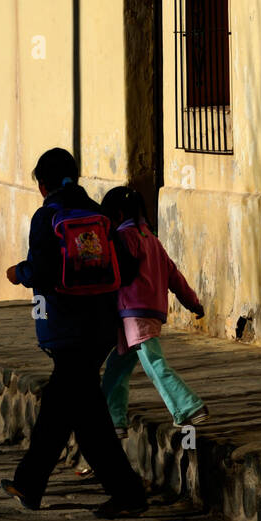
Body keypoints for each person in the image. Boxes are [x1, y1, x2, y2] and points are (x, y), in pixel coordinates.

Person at [0, 148, 149, 519]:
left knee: (64, 405)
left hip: (64, 327)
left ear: (42, 184)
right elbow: (127, 268)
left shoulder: (47, 216)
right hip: (100, 327)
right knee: (82, 411)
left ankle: (34, 483)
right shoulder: (100, 214)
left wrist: (19, 272)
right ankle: (117, 492)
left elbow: (42, 271)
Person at [99, 185, 209, 434]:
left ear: (116, 215)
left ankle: (187, 407)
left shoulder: (125, 237)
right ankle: (112, 420)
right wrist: (192, 302)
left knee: (153, 362)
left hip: (133, 312)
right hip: (148, 311)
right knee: (117, 368)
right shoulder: (152, 240)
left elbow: (117, 274)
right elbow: (174, 276)